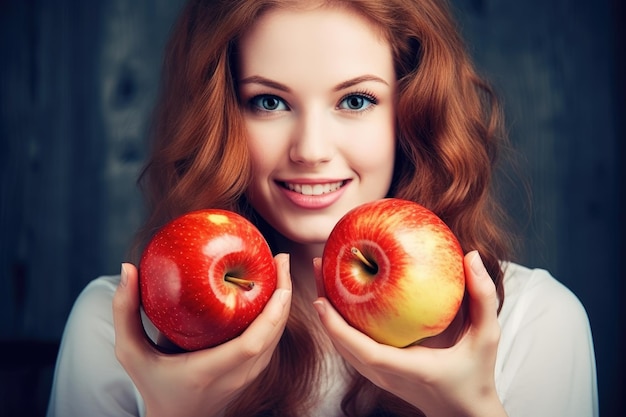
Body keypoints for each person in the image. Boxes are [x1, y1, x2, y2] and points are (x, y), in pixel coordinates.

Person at [46, 0, 598, 416]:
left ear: (411, 114)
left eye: (355, 100)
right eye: (268, 101)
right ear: (221, 119)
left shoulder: (530, 324)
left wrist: (468, 409)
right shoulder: (122, 336)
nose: (310, 149)